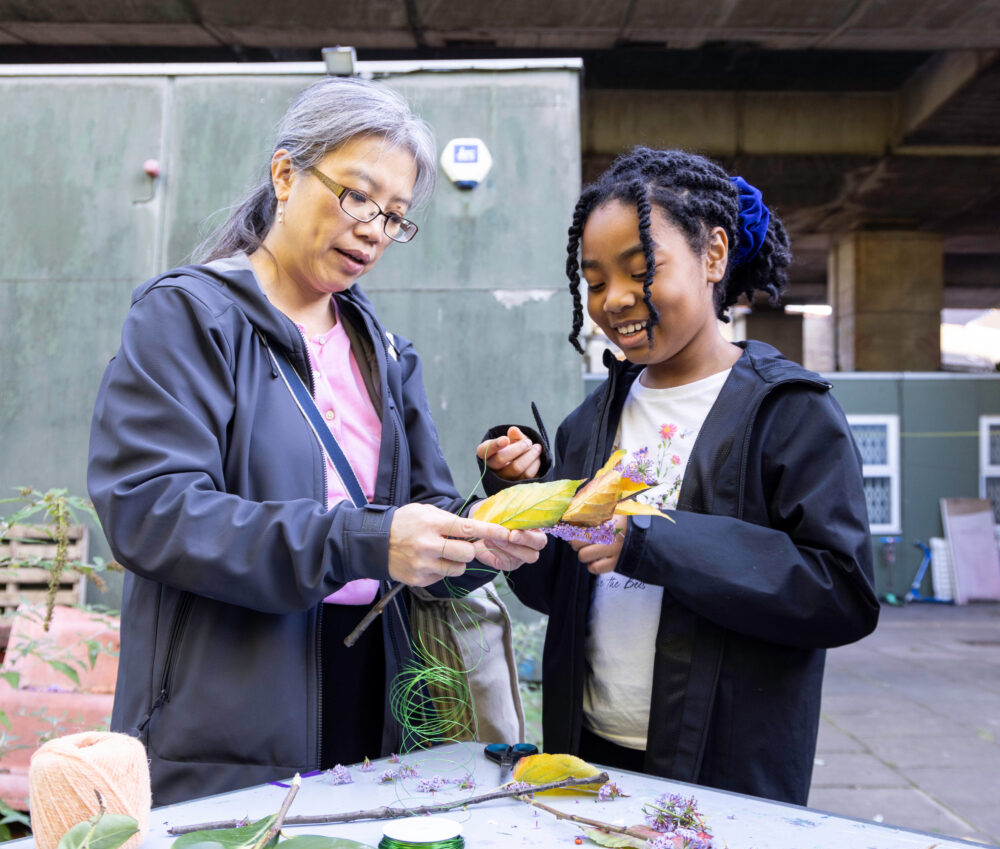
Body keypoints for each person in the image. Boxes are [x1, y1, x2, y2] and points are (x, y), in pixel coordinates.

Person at [88, 77, 544, 806]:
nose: (373, 227)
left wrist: (487, 528)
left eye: (395, 216)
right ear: (284, 175)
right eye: (358, 196)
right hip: (229, 709)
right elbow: (152, 513)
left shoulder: (387, 354)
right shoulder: (187, 317)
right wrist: (365, 542)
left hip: (375, 697)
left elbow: (414, 524)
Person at [477, 147, 879, 805]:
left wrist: (653, 542)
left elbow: (843, 594)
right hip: (591, 754)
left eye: (642, 270)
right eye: (596, 281)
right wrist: (521, 496)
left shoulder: (789, 412)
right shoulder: (591, 420)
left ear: (714, 255)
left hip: (724, 771)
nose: (616, 300)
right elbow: (557, 593)